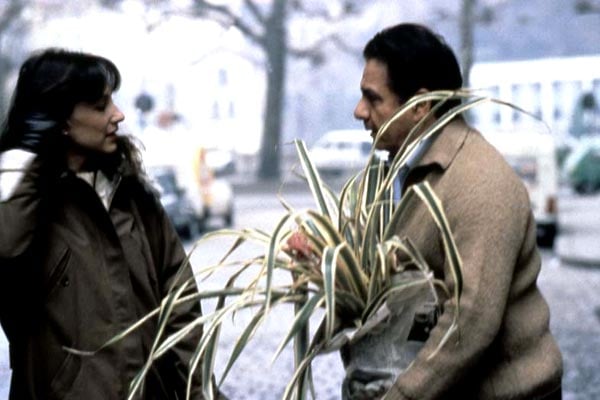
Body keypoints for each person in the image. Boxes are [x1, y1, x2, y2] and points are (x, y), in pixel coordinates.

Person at [350, 23, 563, 399]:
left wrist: (399, 396)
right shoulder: (390, 173)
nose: (359, 111)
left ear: (421, 107)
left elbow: (472, 321)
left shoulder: (481, 183)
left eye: (373, 98)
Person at [0, 49, 217, 399]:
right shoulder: (25, 204)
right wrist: (24, 157)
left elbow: (181, 311)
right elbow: (6, 251)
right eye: (101, 106)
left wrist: (200, 393)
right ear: (61, 120)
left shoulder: (134, 197)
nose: (118, 115)